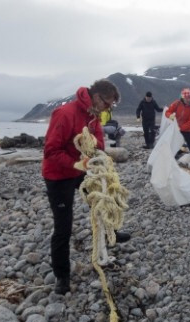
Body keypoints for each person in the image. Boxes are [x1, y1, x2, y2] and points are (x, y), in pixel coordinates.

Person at [42, 80, 131, 295]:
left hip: (81, 168)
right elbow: (50, 151)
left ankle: (112, 231)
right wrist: (75, 163)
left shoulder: (93, 115)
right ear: (97, 97)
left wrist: (95, 151)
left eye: (112, 107)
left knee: (106, 195)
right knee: (63, 226)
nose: (108, 110)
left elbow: (98, 140)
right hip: (59, 174)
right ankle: (62, 276)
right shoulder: (64, 114)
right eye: (107, 104)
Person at [165, 88, 190, 168]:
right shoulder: (177, 103)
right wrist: (170, 116)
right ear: (182, 97)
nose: (188, 100)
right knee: (172, 145)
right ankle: (169, 164)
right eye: (186, 98)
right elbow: (167, 112)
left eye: (189, 98)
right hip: (176, 128)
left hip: (187, 130)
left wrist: (181, 128)